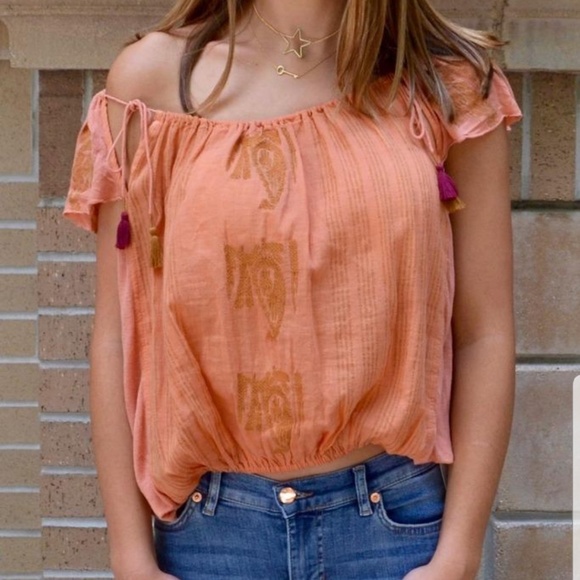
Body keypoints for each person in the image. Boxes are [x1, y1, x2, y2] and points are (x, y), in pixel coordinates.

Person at [63, 0, 521, 578]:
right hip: (211, 537)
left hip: (395, 531)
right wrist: (130, 557)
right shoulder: (149, 84)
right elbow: (118, 335)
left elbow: (483, 333)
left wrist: (458, 555)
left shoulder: (445, 83)